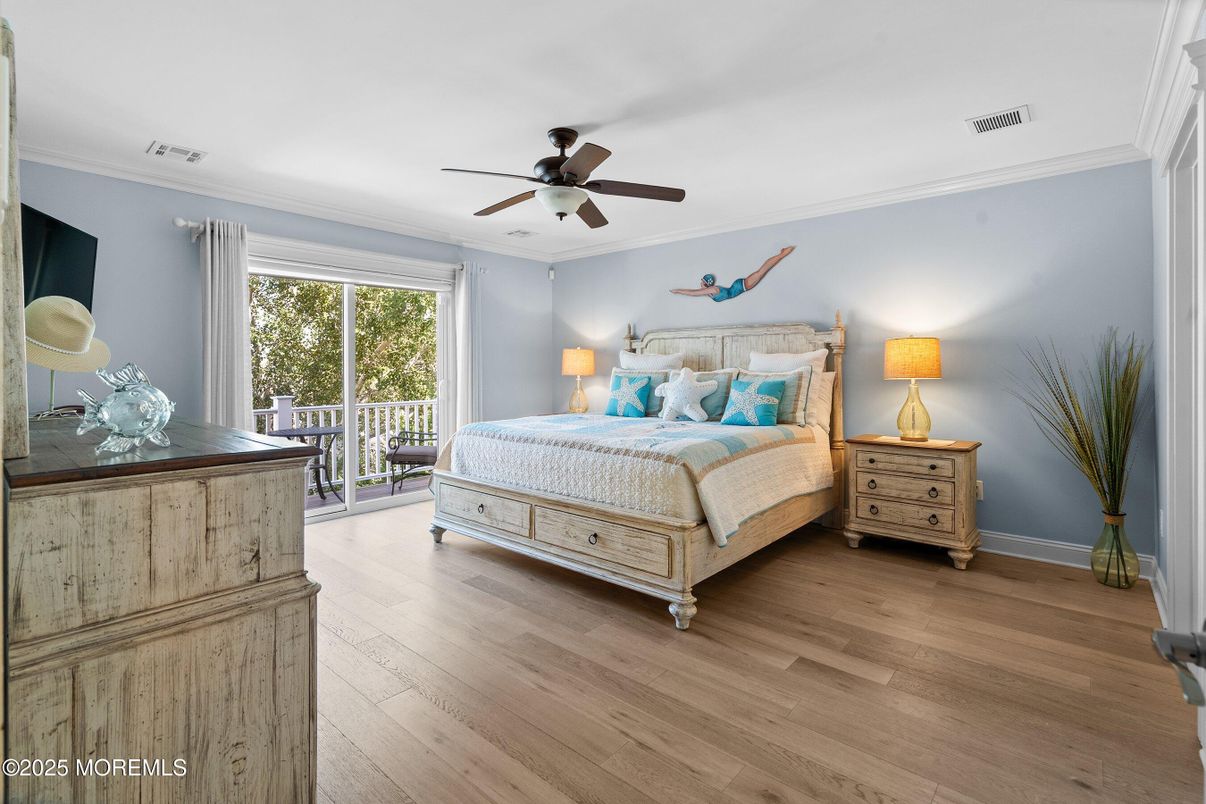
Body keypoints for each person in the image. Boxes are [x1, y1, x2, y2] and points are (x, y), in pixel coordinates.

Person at [670, 246, 796, 302]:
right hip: (739, 287)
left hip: (740, 286)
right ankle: (781, 254)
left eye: (701, 281)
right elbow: (697, 293)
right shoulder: (710, 292)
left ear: (705, 283)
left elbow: (693, 293)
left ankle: (783, 253)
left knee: (762, 271)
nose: (700, 284)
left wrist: (678, 291)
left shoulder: (713, 290)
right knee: (761, 271)